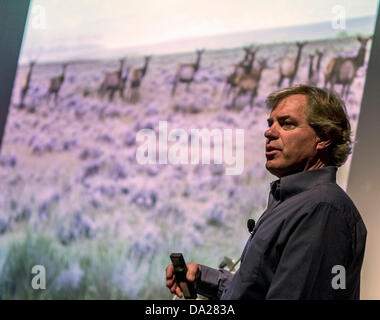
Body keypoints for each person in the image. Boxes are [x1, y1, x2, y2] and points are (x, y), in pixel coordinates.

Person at [165, 85, 367, 300]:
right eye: (270, 123)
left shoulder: (321, 208)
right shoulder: (295, 202)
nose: (269, 132)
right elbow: (258, 287)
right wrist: (203, 278)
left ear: (324, 137)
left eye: (286, 124)